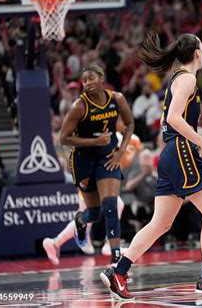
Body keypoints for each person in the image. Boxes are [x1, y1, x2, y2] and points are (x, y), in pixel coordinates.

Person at [100, 33, 202, 300]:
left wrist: (199, 126)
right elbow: (174, 119)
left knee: (161, 223)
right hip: (182, 153)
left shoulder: (179, 78)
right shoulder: (186, 78)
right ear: (198, 52)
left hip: (171, 153)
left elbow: (174, 120)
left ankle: (118, 271)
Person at [60, 64, 134, 264]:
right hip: (83, 159)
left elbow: (130, 124)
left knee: (110, 204)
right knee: (94, 212)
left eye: (90, 78)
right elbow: (64, 138)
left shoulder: (117, 99)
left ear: (101, 78)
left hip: (107, 156)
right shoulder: (79, 106)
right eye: (84, 81)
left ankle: (116, 255)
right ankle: (81, 221)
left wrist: (121, 151)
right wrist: (94, 141)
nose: (87, 83)